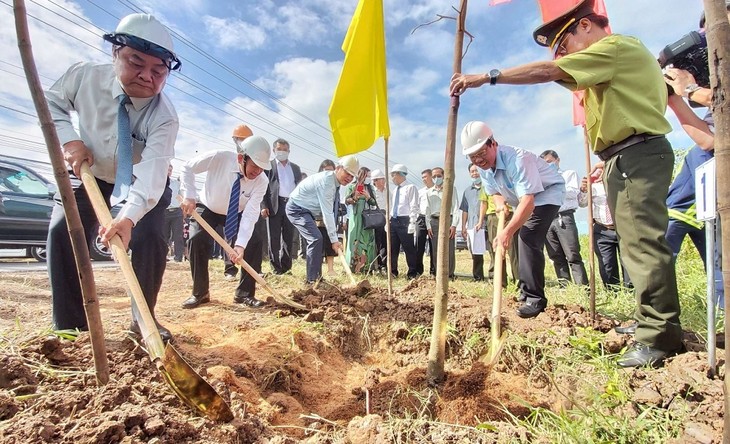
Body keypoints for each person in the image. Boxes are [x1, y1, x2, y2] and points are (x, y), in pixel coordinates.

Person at [450, 0, 680, 367]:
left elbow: (549, 71)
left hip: (637, 154)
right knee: (634, 245)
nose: (565, 56)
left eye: (564, 45)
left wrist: (488, 76)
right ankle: (648, 321)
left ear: (585, 26)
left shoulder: (614, 48)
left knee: (642, 244)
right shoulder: (611, 60)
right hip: (623, 157)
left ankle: (659, 336)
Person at [45, 13, 181, 343]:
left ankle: (143, 322)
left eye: (158, 71)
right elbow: (50, 102)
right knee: (62, 231)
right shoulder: (84, 77)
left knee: (151, 238)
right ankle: (71, 327)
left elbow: (151, 175)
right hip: (90, 173)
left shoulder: (164, 116)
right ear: (116, 53)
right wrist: (69, 139)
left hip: (139, 184)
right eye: (136, 62)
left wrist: (129, 218)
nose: (147, 77)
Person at [461, 121, 564, 318]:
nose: (478, 160)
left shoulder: (517, 159)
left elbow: (528, 201)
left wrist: (506, 232)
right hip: (523, 200)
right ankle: (525, 292)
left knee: (527, 236)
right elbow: (493, 192)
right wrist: (500, 204)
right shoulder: (483, 168)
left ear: (493, 143)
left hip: (547, 194)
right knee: (520, 238)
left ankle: (535, 299)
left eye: (482, 153)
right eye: (473, 157)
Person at [179, 135, 271, 309]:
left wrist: (240, 245)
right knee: (196, 239)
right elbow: (187, 167)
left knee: (254, 241)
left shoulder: (262, 181)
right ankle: (200, 292)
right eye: (254, 166)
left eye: (262, 168)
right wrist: (189, 195)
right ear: (241, 158)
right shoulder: (219, 157)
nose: (257, 172)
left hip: (237, 212)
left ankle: (245, 294)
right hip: (208, 206)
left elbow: (251, 214)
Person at [286, 156, 359, 284]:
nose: (349, 178)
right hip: (297, 209)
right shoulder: (326, 182)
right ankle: (312, 280)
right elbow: (328, 213)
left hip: (307, 211)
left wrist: (333, 238)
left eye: (352, 176)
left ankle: (317, 277)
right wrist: (334, 240)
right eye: (347, 173)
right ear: (338, 168)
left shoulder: (334, 182)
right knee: (315, 238)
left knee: (317, 238)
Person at [540, 150, 588, 286]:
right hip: (548, 219)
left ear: (557, 160)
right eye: (544, 163)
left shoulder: (568, 175)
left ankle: (583, 287)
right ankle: (564, 286)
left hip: (564, 217)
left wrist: (553, 188)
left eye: (549, 162)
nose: (547, 165)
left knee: (572, 254)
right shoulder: (542, 179)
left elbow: (573, 193)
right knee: (555, 256)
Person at [578, 169, 632, 290]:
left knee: (628, 262)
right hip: (602, 229)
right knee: (607, 264)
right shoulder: (594, 186)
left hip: (623, 228)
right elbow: (582, 203)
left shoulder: (622, 182)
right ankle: (613, 292)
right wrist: (584, 189)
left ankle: (631, 292)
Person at [263, 139, 303, 275]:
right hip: (274, 204)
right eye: (279, 149)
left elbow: (300, 187)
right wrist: (264, 205)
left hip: (291, 205)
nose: (282, 152)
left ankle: (286, 267)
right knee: (274, 237)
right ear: (274, 150)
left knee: (289, 236)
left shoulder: (295, 168)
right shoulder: (269, 166)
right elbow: (263, 187)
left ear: (289, 151)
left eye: (285, 150)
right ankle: (276, 267)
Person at [223, 124, 254, 280]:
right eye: (240, 140)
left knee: (249, 237)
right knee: (199, 239)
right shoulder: (225, 157)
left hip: (242, 206)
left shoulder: (256, 164)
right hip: (220, 205)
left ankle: (245, 290)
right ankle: (229, 268)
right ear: (235, 140)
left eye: (246, 140)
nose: (243, 143)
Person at [477, 189, 519, 285]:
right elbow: (483, 203)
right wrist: (480, 221)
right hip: (493, 216)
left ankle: (518, 281)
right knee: (496, 250)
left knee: (514, 250)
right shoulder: (487, 182)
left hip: (511, 214)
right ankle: (501, 282)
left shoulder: (508, 177)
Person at [425, 167, 459, 279]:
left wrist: (454, 225)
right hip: (434, 221)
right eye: (434, 176)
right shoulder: (429, 192)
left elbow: (455, 208)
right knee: (435, 248)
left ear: (443, 176)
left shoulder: (450, 189)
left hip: (447, 220)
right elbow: (427, 209)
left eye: (438, 176)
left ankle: (449, 274)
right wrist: (428, 225)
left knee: (449, 248)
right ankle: (438, 273)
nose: (436, 178)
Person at [389, 164, 420, 279]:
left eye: (393, 175)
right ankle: (393, 271)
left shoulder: (410, 187)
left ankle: (412, 273)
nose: (392, 178)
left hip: (405, 220)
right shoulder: (395, 189)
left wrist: (412, 222)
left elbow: (414, 206)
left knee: (409, 248)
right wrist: (389, 221)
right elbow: (393, 206)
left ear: (399, 174)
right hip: (394, 219)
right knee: (393, 248)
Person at [345, 167, 377, 273]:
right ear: (361, 175)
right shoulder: (352, 186)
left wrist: (368, 197)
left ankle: (367, 267)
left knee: (368, 241)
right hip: (356, 217)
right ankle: (353, 266)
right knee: (354, 240)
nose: (369, 178)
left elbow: (374, 203)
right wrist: (355, 197)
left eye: (370, 176)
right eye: (367, 175)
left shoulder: (370, 188)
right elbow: (347, 200)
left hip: (367, 218)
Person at [460, 163, 488, 281]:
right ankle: (478, 277)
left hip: (486, 224)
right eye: (472, 171)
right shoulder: (467, 191)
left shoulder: (487, 186)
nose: (475, 173)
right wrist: (463, 226)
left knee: (492, 251)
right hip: (472, 225)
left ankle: (495, 276)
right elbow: (465, 210)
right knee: (475, 253)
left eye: (476, 170)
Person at [317, 160, 339, 276]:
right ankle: (317, 270)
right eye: (326, 171)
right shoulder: (318, 184)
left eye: (331, 171)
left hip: (330, 220)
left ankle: (330, 269)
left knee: (331, 245)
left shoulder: (336, 187)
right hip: (317, 220)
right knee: (318, 245)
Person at [165, 164, 184, 262]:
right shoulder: (158, 183)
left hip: (177, 211)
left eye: (170, 170)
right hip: (164, 211)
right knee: (164, 235)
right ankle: (163, 256)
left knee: (178, 235)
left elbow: (182, 196)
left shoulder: (176, 184)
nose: (169, 172)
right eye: (167, 170)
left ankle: (178, 257)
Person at [417, 169, 435, 275]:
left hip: (433, 219)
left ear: (431, 177)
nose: (424, 179)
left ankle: (433, 271)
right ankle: (419, 270)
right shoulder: (421, 191)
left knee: (433, 246)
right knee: (419, 245)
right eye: (422, 177)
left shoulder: (437, 190)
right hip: (421, 218)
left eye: (425, 176)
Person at [371, 168, 388, 272]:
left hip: (386, 218)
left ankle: (384, 265)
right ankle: (376, 265)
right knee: (377, 243)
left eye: (383, 179)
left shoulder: (388, 191)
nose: (383, 181)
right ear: (375, 181)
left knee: (385, 243)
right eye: (381, 179)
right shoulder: (373, 192)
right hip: (376, 218)